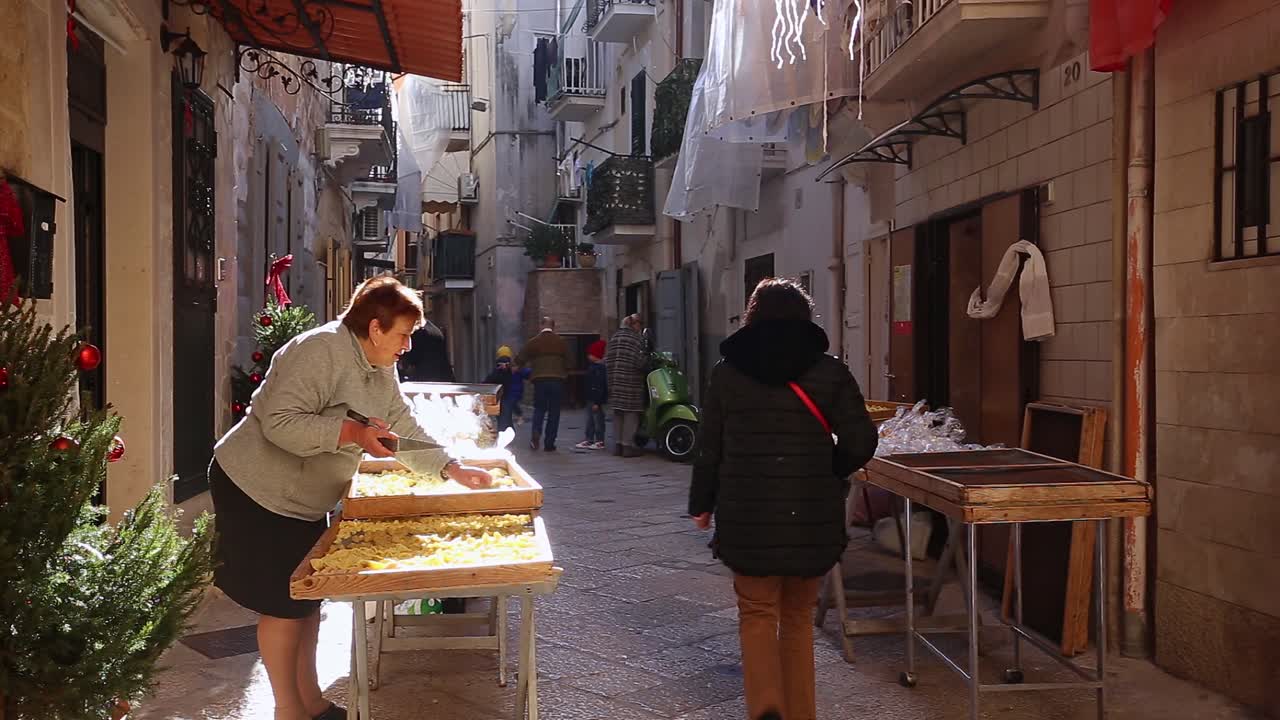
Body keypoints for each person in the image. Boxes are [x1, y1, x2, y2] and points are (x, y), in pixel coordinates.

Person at [209, 276, 492, 720]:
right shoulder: (318, 350)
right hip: (255, 486)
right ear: (376, 327)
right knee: (282, 604)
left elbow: (402, 424)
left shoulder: (379, 363)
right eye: (403, 335)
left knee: (307, 600)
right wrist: (352, 433)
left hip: (304, 497)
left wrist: (451, 468)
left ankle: (311, 701)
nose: (407, 347)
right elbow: (279, 423)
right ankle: (289, 710)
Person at [688, 278, 878, 720]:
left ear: (752, 315)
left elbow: (709, 446)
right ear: (804, 316)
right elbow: (861, 439)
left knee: (756, 614)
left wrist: (702, 503)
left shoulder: (728, 373)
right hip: (810, 515)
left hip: (746, 515)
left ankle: (765, 709)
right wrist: (827, 470)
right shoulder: (829, 371)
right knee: (797, 618)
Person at [515, 317, 569, 451]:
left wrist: (523, 370)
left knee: (539, 409)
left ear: (541, 326)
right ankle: (549, 443)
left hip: (540, 380)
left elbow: (520, 359)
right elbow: (569, 362)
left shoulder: (533, 342)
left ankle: (535, 435)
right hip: (557, 380)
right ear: (553, 326)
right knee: (554, 412)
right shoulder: (561, 342)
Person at [604, 314, 649, 457]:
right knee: (631, 414)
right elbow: (639, 363)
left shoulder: (615, 337)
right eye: (639, 324)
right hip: (631, 382)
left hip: (615, 380)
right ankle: (627, 446)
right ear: (634, 324)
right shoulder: (636, 339)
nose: (640, 327)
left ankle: (617, 445)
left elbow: (608, 359)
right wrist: (647, 360)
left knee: (618, 412)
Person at [398, 316, 454, 382]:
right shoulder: (431, 329)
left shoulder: (421, 333)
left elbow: (410, 357)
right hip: (440, 379)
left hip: (428, 380)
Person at [576, 339, 609, 450]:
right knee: (590, 419)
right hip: (591, 398)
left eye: (591, 354)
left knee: (598, 420)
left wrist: (597, 402)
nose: (588, 356)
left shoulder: (600, 369)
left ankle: (600, 440)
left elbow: (600, 386)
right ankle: (589, 439)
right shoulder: (593, 368)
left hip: (595, 400)